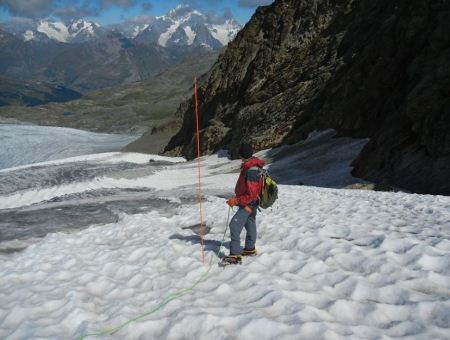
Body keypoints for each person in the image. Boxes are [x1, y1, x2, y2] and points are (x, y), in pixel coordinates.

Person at [223, 143, 265, 264]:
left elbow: (251, 194)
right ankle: (249, 249)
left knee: (234, 225)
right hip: (252, 202)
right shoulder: (251, 165)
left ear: (242, 155)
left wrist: (236, 201)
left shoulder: (251, 170)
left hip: (249, 204)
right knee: (250, 223)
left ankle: (235, 255)